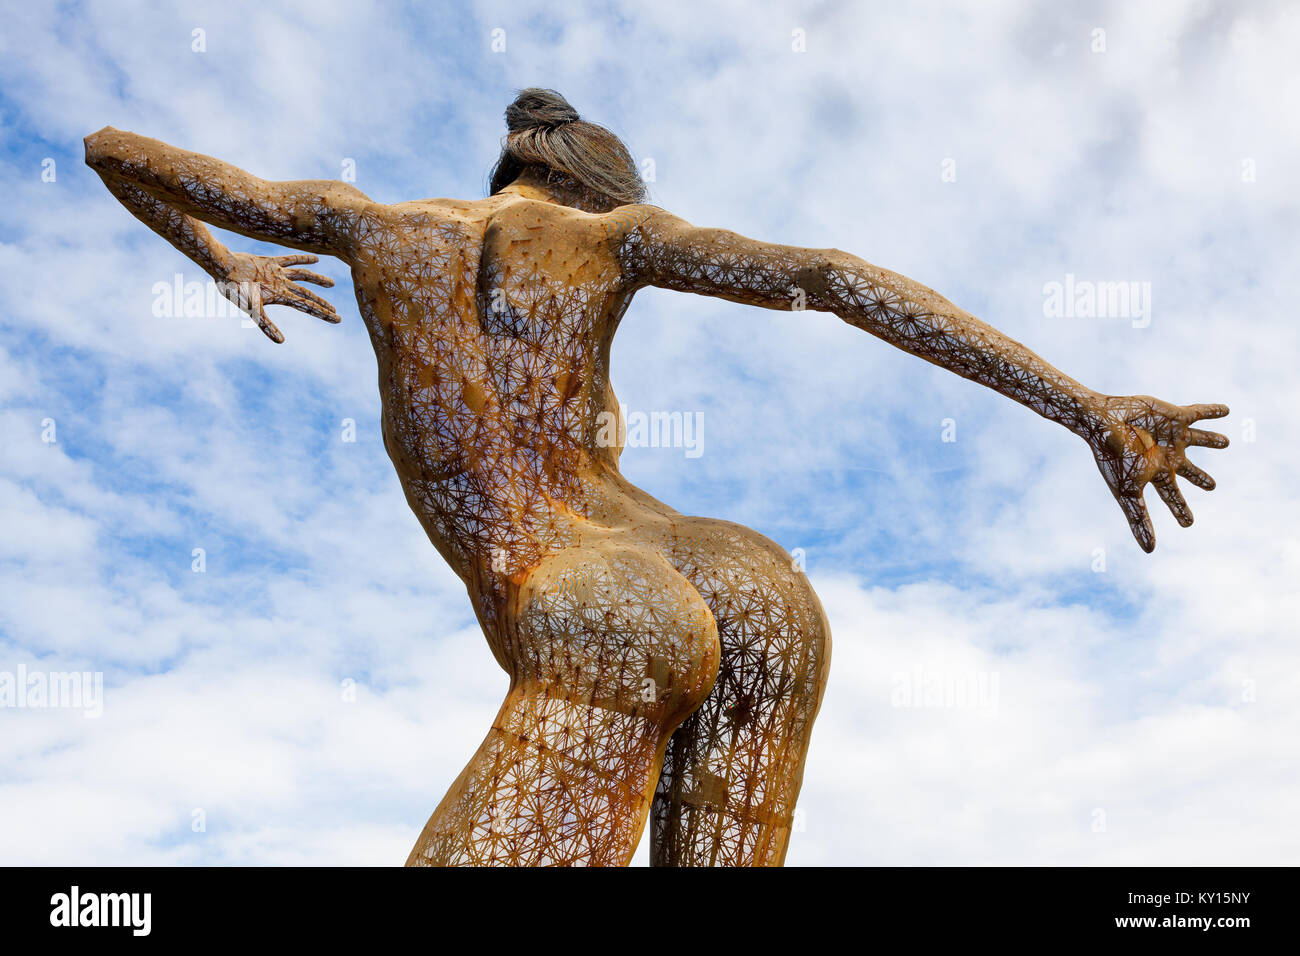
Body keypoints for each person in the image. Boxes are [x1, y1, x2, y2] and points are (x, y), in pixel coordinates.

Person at [85, 88, 1228, 867]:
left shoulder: (362, 224)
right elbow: (831, 277)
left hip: (578, 579)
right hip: (726, 562)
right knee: (760, 651)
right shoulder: (617, 236)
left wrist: (228, 264)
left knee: (587, 719)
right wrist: (1083, 406)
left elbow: (110, 149)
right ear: (598, 189)